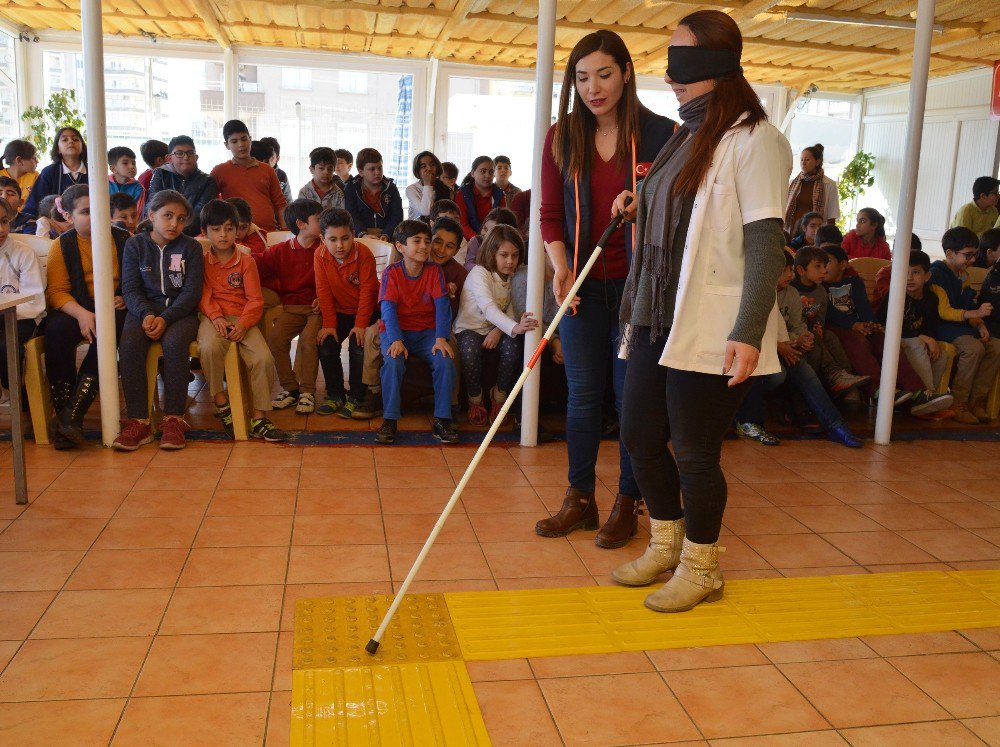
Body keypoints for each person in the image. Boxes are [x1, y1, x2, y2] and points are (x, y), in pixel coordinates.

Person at [611, 11, 791, 611]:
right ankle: (666, 540)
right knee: (638, 434)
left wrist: (747, 330)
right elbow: (690, 221)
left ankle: (702, 565)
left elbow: (766, 240)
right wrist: (645, 203)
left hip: (713, 321)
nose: (670, 77)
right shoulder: (687, 135)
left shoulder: (756, 139)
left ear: (717, 65)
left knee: (693, 450)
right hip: (657, 312)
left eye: (682, 65)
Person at [537, 29, 677, 551]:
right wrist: (560, 269)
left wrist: (648, 206)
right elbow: (550, 216)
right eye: (581, 77)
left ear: (625, 73)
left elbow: (681, 208)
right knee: (581, 395)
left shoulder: (660, 133)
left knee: (630, 399)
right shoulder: (562, 135)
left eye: (604, 74)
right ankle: (580, 499)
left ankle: (627, 503)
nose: (593, 88)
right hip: (583, 284)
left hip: (638, 289)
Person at [113, 190, 203, 451]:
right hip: (143, 312)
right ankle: (138, 421)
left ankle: (174, 419)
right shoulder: (135, 245)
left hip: (180, 312)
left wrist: (166, 317)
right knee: (129, 345)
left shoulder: (191, 247)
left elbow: (191, 293)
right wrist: (147, 314)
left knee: (175, 343)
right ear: (151, 215)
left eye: (181, 218)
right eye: (167, 216)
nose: (174, 223)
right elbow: (130, 288)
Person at [44, 184, 129, 449]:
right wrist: (82, 314)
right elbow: (56, 292)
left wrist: (126, 296)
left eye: (101, 210)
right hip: (76, 306)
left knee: (109, 329)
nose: (96, 216)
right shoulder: (63, 245)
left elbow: (137, 280)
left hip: (115, 307)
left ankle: (72, 416)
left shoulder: (124, 239)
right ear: (68, 216)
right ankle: (69, 420)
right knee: (56, 331)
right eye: (86, 211)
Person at [196, 199, 287, 442]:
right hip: (212, 318)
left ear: (238, 230)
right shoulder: (202, 261)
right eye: (215, 230)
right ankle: (222, 405)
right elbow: (203, 295)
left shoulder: (246, 262)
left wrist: (243, 324)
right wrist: (215, 317)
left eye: (228, 228)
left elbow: (255, 299)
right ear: (205, 232)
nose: (223, 235)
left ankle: (259, 418)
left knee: (263, 358)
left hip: (242, 318)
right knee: (209, 347)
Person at [375, 220, 458, 445]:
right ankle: (390, 419)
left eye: (427, 241)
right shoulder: (391, 273)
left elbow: (442, 306)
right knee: (393, 361)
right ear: (400, 247)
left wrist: (441, 337)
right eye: (417, 241)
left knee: (445, 360)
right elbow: (388, 310)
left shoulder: (434, 271)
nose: (424, 246)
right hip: (397, 330)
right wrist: (396, 340)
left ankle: (442, 419)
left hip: (427, 332)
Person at [455, 225, 538, 425]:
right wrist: (514, 327)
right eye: (504, 255)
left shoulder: (513, 277)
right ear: (492, 253)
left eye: (515, 255)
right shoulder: (479, 273)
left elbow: (511, 308)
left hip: (498, 329)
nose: (510, 261)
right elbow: (488, 307)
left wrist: (500, 331)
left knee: (513, 348)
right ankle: (475, 398)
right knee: (469, 350)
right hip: (470, 328)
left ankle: (499, 398)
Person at [824, 243, 923, 404]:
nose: (823, 267)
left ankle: (918, 391)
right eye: (819, 264)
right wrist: (853, 325)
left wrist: (871, 323)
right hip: (838, 328)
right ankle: (878, 390)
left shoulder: (854, 281)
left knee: (883, 340)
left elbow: (863, 305)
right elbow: (828, 311)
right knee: (859, 342)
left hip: (859, 326)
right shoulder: (820, 286)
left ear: (842, 265)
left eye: (827, 262)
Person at [257, 198, 323, 414]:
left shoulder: (325, 248)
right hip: (292, 308)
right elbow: (258, 268)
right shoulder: (280, 251)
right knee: (275, 339)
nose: (323, 223)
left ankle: (307, 391)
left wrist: (325, 298)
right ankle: (291, 389)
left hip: (317, 309)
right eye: (318, 219)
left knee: (308, 341)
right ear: (301, 224)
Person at [930, 226, 1000, 423]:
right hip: (943, 326)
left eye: (974, 255)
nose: (971, 260)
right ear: (950, 254)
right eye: (967, 255)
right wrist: (974, 314)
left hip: (961, 325)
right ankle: (958, 401)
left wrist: (979, 324)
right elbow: (943, 311)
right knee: (974, 349)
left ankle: (977, 400)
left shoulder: (964, 275)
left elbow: (968, 304)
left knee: (995, 346)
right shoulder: (937, 273)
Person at [314, 207, 378, 418]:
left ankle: (357, 397)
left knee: (358, 345)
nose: (340, 245)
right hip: (339, 312)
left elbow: (368, 292)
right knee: (326, 344)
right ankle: (336, 395)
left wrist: (360, 325)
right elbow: (323, 290)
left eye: (345, 238)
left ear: (353, 234)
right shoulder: (319, 255)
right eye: (333, 239)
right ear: (322, 238)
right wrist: (329, 325)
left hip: (366, 312)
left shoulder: (364, 254)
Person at [875, 250, 955, 416]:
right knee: (918, 344)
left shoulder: (931, 298)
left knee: (941, 353)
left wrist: (930, 341)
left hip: (915, 342)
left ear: (927, 276)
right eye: (905, 272)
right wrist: (923, 338)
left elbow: (931, 327)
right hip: (892, 341)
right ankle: (927, 396)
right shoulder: (895, 295)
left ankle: (923, 403)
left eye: (916, 272)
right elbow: (889, 325)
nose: (909, 278)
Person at [791, 246, 869, 396]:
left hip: (812, 330)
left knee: (830, 337)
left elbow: (820, 316)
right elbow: (791, 320)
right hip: (796, 333)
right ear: (801, 271)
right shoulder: (792, 290)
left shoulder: (820, 290)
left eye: (825, 266)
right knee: (814, 338)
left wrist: (818, 326)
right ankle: (835, 375)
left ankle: (846, 378)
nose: (824, 270)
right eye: (818, 266)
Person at [0, 200, 45, 398]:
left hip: (22, 318)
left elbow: (34, 303)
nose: (1, 229)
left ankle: (20, 399)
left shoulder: (23, 253)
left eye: (3, 221)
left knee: (6, 346)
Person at [211, 119, 287, 233]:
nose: (241, 145)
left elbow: (280, 203)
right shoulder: (219, 171)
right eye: (234, 141)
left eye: (244, 139)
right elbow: (212, 206)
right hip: (235, 235)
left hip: (268, 233)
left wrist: (285, 231)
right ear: (226, 145)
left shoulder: (267, 170)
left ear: (250, 139)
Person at [147, 136, 218, 236]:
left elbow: (200, 216)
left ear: (196, 157)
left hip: (191, 237)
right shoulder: (161, 174)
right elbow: (152, 205)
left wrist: (175, 231)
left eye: (190, 153)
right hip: (161, 233)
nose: (186, 157)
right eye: (179, 153)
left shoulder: (207, 181)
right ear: (169, 158)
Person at [22, 127, 88, 220]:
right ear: (58, 149)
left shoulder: (94, 171)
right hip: (54, 227)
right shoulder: (49, 172)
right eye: (65, 139)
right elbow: (33, 205)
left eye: (75, 139)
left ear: (82, 148)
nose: (70, 141)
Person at [342, 148, 403, 241]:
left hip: (387, 235)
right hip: (359, 235)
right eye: (372, 169)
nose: (377, 172)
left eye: (380, 168)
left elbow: (396, 216)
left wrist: (387, 234)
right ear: (360, 171)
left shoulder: (391, 188)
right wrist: (362, 234)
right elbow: (351, 215)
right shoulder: (351, 188)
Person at [783, 143, 839, 235]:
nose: (803, 163)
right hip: (793, 231)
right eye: (801, 160)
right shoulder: (794, 183)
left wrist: (829, 238)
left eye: (807, 160)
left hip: (815, 234)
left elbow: (831, 217)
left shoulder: (829, 185)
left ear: (817, 162)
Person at [456, 156, 505, 241]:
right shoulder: (462, 194)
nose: (487, 175)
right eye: (483, 171)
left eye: (491, 172)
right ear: (472, 173)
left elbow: (501, 224)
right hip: (467, 241)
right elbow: (462, 225)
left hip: (493, 241)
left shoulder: (500, 195)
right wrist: (479, 241)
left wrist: (488, 242)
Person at [405, 151, 449, 220]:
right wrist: (427, 184)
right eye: (423, 166)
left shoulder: (444, 188)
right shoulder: (411, 189)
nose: (429, 169)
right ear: (418, 172)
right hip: (415, 228)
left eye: (432, 164)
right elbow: (426, 212)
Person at [299, 147, 346, 211]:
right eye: (321, 168)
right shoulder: (304, 192)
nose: (326, 172)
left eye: (330, 169)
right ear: (312, 169)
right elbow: (301, 216)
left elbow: (341, 218)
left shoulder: (338, 194)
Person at [0, 139, 40, 207]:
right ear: (19, 160)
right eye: (34, 158)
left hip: (28, 217)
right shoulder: (1, 176)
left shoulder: (35, 176)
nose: (37, 161)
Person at [107, 146, 146, 215]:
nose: (132, 166)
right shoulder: (103, 184)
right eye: (125, 163)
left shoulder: (138, 188)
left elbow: (138, 213)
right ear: (113, 169)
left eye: (133, 163)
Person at [430, 198, 468, 264]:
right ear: (432, 223)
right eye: (445, 219)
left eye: (455, 220)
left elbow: (459, 262)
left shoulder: (461, 241)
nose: (450, 224)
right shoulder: (424, 236)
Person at [260, 136, 293, 205]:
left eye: (270, 156)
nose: (265, 160)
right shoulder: (253, 172)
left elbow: (288, 200)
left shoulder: (281, 175)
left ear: (277, 159)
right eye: (264, 156)